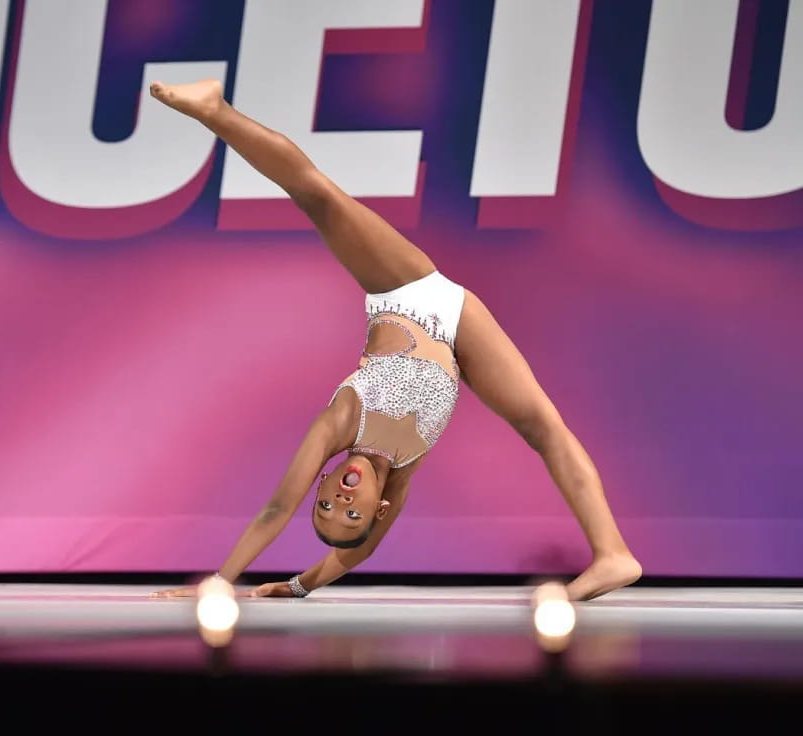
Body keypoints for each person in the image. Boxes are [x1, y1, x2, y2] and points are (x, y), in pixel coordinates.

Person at [148, 79, 641, 602]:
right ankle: (613, 552)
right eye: (353, 510)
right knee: (544, 427)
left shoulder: (339, 424)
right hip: (458, 327)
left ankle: (214, 111)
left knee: (318, 196)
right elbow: (360, 550)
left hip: (404, 294)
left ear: (321, 484)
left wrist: (222, 584)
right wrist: (300, 585)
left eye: (327, 504)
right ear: (380, 506)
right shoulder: (402, 475)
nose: (341, 497)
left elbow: (276, 509)